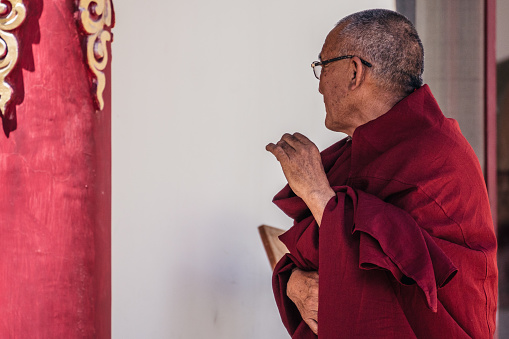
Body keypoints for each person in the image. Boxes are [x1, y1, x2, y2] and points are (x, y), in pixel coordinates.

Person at [266, 9, 497, 338]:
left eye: (322, 66)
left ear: (354, 72)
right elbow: (321, 254)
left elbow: (404, 282)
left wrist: (317, 194)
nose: (319, 87)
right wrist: (293, 282)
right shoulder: (363, 150)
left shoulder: (438, 156)